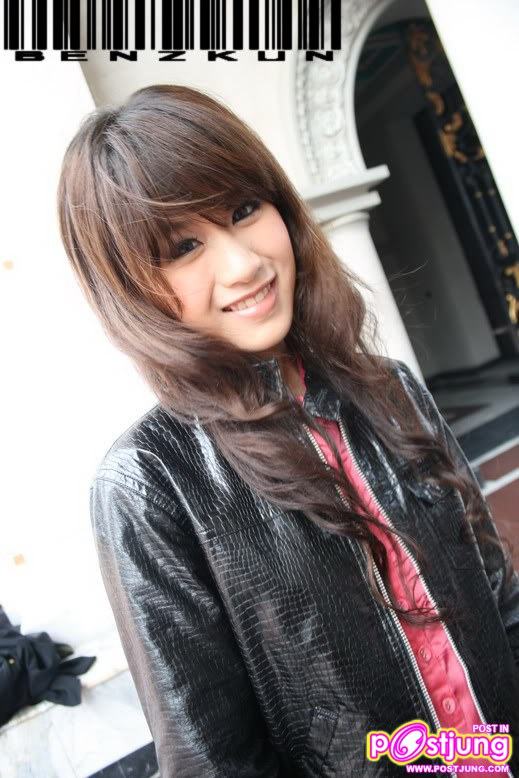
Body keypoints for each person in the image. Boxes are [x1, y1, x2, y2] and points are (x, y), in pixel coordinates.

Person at [56, 84, 519, 778]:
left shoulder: (389, 389)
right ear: (129, 288)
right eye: (183, 246)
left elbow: (498, 601)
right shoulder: (150, 484)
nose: (243, 264)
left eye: (244, 210)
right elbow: (216, 761)